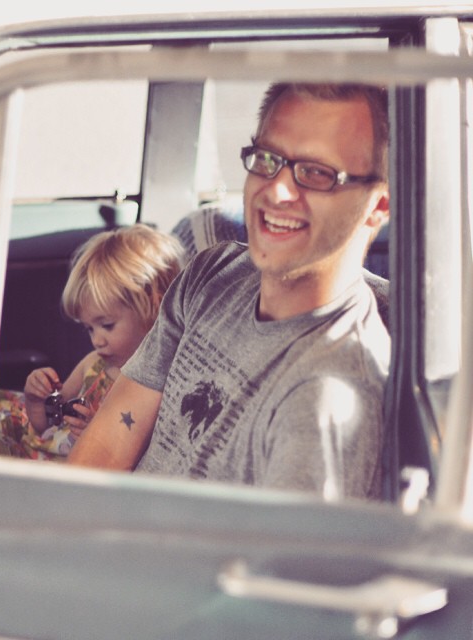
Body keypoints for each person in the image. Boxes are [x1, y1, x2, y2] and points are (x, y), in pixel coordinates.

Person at [68, 82, 391, 501]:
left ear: (378, 206)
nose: (275, 189)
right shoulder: (213, 273)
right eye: (268, 160)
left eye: (316, 173)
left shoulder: (332, 395)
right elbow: (109, 443)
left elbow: (268, 564)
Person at [0, 223, 184, 459]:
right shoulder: (92, 364)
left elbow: (133, 456)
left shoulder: (152, 389)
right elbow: (47, 426)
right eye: (89, 329)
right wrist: (36, 400)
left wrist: (97, 433)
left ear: (153, 309)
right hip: (43, 452)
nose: (97, 340)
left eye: (107, 325)